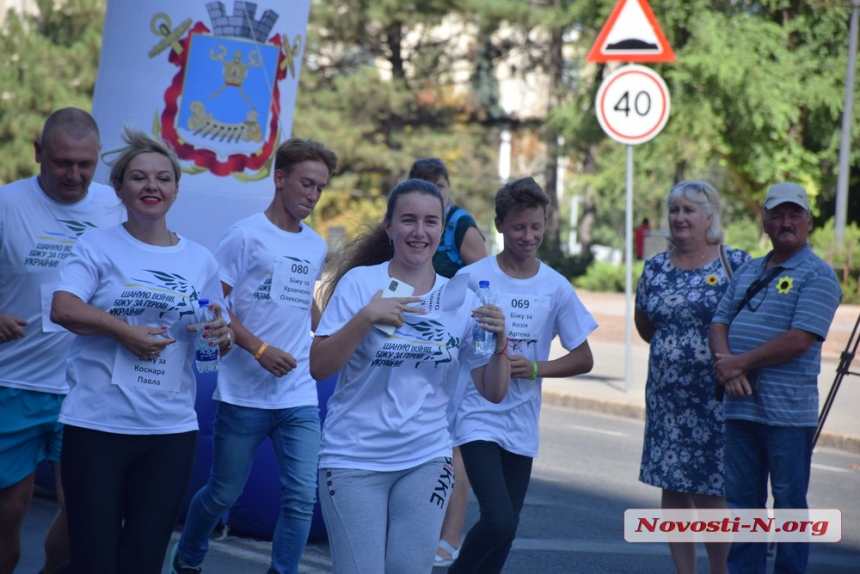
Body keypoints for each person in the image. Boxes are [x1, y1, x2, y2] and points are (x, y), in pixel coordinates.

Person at [50, 127, 233, 574]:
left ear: (175, 188)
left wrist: (222, 337)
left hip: (168, 430)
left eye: (163, 178)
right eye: (139, 177)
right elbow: (63, 308)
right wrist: (121, 331)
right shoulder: (96, 246)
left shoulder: (200, 259)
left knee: (143, 561)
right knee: (95, 560)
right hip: (97, 425)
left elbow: (214, 326)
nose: (152, 186)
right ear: (119, 187)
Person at [309, 178, 510, 574]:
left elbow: (493, 391)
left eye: (431, 222)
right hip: (353, 458)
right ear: (389, 227)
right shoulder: (361, 284)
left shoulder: (462, 298)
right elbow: (319, 366)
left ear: (442, 229)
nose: (420, 232)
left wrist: (502, 341)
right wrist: (366, 316)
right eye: (408, 220)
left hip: (426, 456)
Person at [171, 138, 338, 574]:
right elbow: (214, 305)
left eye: (321, 188)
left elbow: (301, 301)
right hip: (243, 393)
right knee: (222, 493)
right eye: (306, 183)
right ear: (279, 179)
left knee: (302, 497)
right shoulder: (244, 236)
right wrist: (259, 349)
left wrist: (326, 330)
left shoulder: (316, 245)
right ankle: (188, 558)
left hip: (298, 391)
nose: (313, 195)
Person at [447, 177, 596, 574]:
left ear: (546, 223)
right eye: (518, 227)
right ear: (498, 224)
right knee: (499, 519)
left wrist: (534, 368)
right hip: (476, 413)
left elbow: (583, 358)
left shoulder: (556, 286)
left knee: (506, 533)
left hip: (522, 419)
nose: (528, 236)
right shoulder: (472, 278)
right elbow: (448, 341)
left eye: (536, 226)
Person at [0, 108, 125, 574]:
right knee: (10, 511)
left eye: (85, 165)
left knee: (85, 519)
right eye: (62, 163)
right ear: (38, 153)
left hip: (88, 387)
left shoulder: (115, 209)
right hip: (13, 383)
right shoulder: (8, 205)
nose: (74, 175)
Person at [709, 182, 841, 574]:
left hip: (788, 414)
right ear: (764, 222)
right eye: (777, 215)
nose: (786, 222)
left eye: (794, 214)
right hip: (740, 408)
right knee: (741, 505)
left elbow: (799, 339)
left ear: (808, 222)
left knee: (788, 504)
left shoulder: (818, 275)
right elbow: (719, 321)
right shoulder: (749, 268)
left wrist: (739, 363)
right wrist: (727, 362)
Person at [634, 181, 750, 574]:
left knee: (712, 488)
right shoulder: (655, 268)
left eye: (689, 210)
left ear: (710, 217)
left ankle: (721, 570)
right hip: (667, 397)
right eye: (675, 210)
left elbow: (753, 324)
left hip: (715, 395)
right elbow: (646, 324)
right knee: (674, 484)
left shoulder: (734, 263)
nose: (680, 218)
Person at [408, 157, 488, 566]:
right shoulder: (408, 222)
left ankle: (450, 534)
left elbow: (486, 277)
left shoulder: (458, 224)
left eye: (440, 186)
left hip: (454, 343)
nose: (434, 193)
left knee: (454, 438)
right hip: (413, 342)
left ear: (448, 188)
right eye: (424, 185)